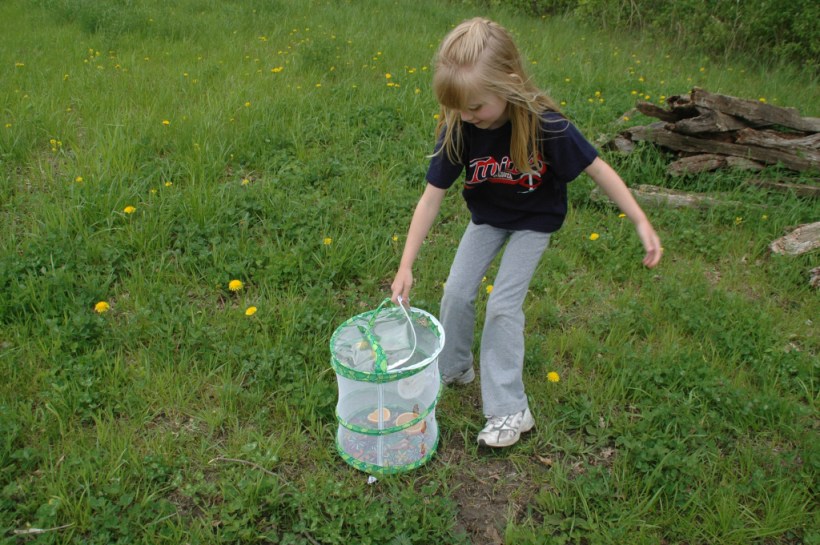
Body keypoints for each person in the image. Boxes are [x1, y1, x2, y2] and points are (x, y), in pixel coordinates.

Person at [390, 17, 662, 448]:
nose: (466, 115)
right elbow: (431, 197)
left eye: (476, 106)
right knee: (456, 292)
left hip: (535, 222)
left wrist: (640, 219)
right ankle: (455, 368)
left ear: (509, 82)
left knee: (502, 307)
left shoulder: (545, 124)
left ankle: (510, 410)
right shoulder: (460, 125)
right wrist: (406, 264)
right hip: (488, 218)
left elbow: (597, 168)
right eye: (458, 106)